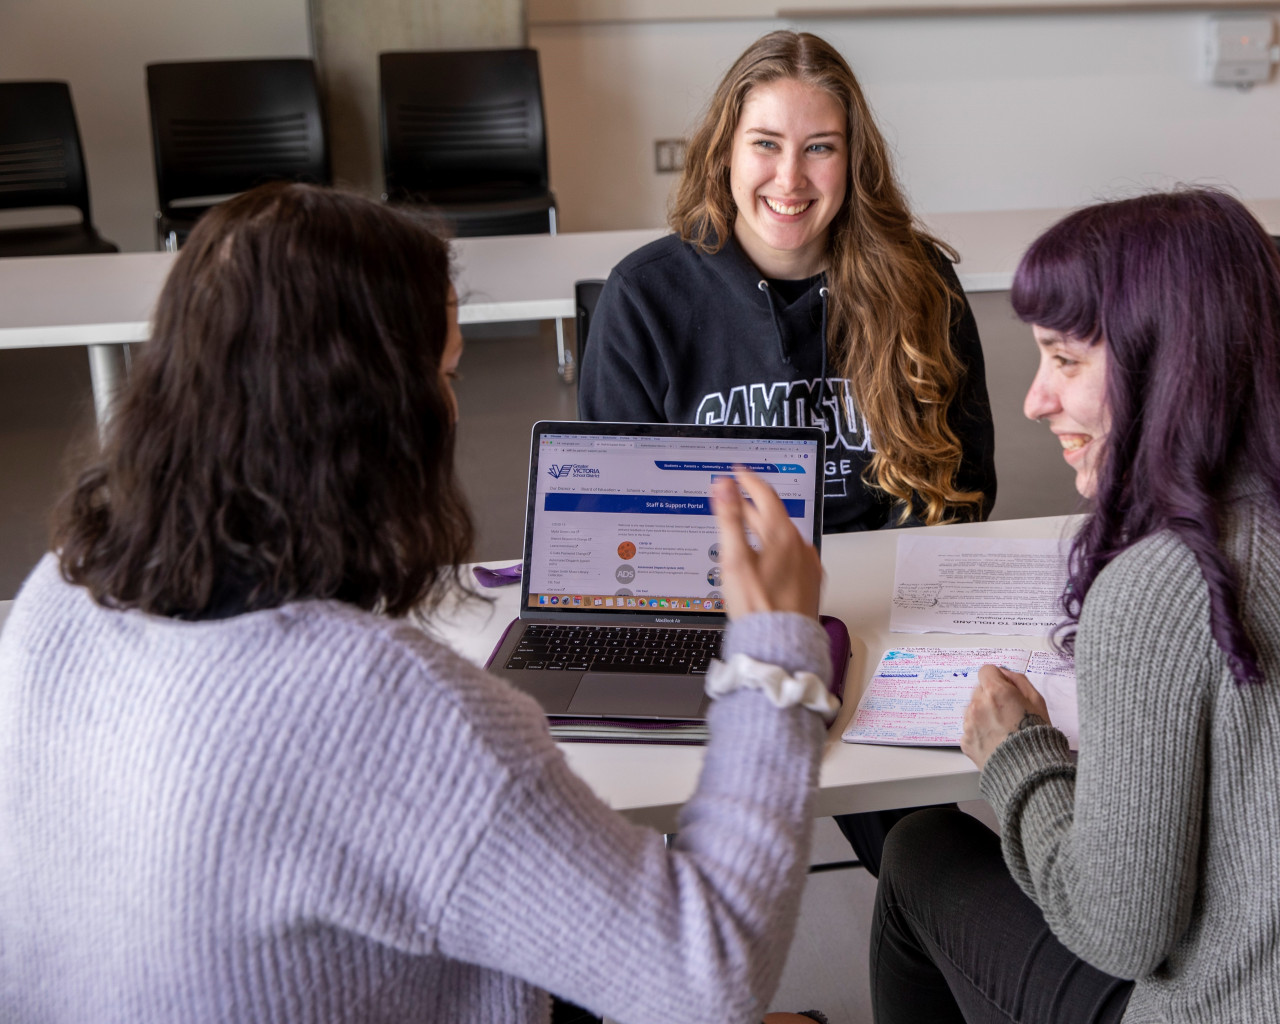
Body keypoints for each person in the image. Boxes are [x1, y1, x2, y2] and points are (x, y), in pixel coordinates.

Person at [0, 182, 841, 1024]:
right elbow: (709, 975)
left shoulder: (54, 599)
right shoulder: (387, 711)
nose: (452, 404)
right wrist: (775, 651)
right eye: (445, 374)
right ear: (372, 424)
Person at [870, 187, 1280, 1023]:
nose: (1033, 401)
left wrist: (1020, 755)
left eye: (1064, 360)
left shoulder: (1163, 587)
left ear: (1171, 362)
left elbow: (1118, 932)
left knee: (917, 850)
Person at [579, 30, 996, 537]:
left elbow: (959, 485)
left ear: (853, 161)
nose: (790, 177)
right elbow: (616, 507)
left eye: (819, 147)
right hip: (713, 587)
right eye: (765, 144)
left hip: (890, 583)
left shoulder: (919, 281)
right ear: (725, 149)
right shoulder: (642, 297)